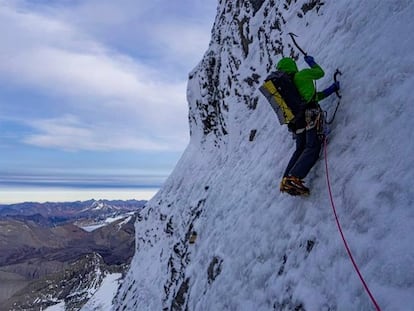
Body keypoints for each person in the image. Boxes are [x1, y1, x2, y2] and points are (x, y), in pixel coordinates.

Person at [278, 56, 340, 196]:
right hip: (310, 115)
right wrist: (311, 62)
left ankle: (286, 179)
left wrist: (330, 90)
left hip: (296, 123)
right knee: (312, 146)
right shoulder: (302, 75)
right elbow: (320, 73)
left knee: (300, 149)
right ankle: (294, 177)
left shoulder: (285, 88)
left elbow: (311, 97)